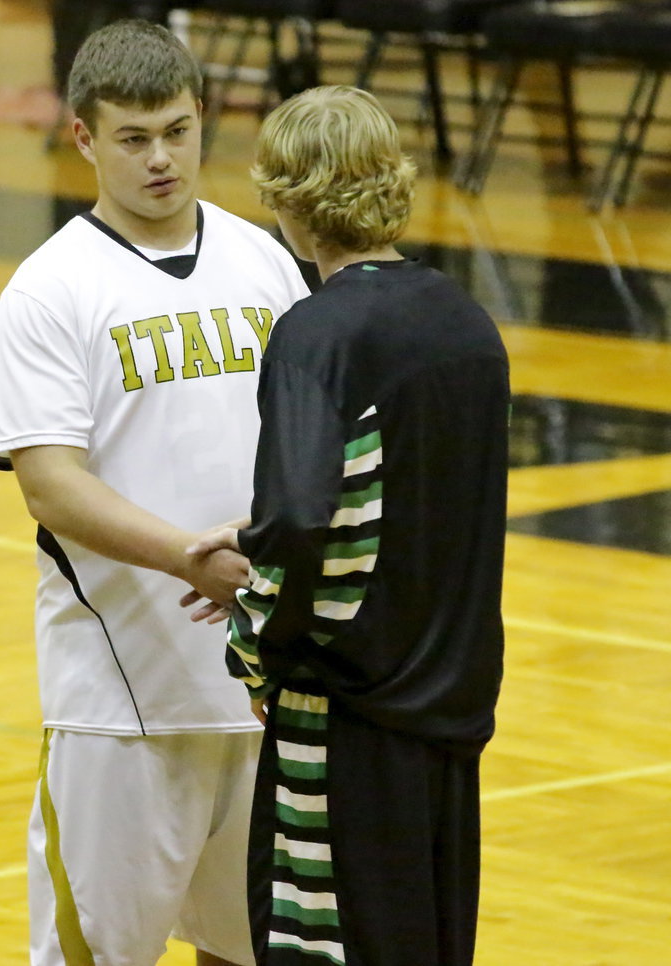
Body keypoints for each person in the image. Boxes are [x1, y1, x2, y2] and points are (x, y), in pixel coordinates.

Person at [0, 20, 311, 966]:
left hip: (258, 687)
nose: (161, 158)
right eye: (133, 138)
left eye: (177, 130)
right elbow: (49, 485)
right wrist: (190, 559)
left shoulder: (267, 265)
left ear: (204, 117)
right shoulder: (49, 290)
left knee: (254, 949)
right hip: (118, 699)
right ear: (84, 138)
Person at [186, 86, 510, 966]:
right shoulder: (467, 322)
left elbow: (300, 516)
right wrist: (258, 531)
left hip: (345, 713)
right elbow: (408, 499)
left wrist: (253, 645)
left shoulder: (316, 332)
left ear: (289, 198)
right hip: (451, 709)